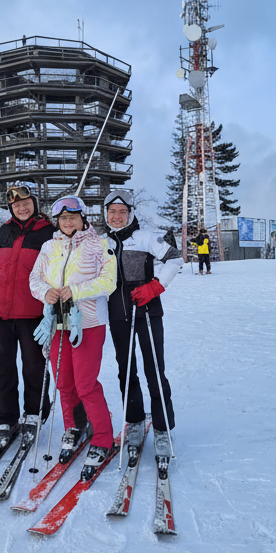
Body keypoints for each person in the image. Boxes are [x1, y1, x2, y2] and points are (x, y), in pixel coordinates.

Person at [29, 196, 117, 481]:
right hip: (57, 323)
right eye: (63, 218)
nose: (68, 222)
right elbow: (35, 278)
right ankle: (74, 426)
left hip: (89, 322)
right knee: (63, 381)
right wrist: (46, 293)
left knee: (85, 383)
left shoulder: (99, 244)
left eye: (73, 217)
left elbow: (109, 281)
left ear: (83, 218)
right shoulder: (49, 246)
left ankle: (103, 436)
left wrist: (73, 291)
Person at [103, 190, 182, 464]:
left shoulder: (146, 237)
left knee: (154, 369)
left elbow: (175, 258)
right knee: (126, 369)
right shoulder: (102, 243)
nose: (117, 216)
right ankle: (134, 420)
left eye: (122, 212)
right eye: (112, 212)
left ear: (131, 214)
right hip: (117, 312)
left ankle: (162, 426)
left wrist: (156, 285)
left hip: (146, 309)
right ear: (106, 214)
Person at [0, 185, 59, 453]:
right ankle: (5, 419)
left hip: (32, 312)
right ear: (11, 208)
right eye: (16, 205)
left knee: (34, 366)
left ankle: (34, 413)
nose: (21, 208)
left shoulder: (49, 233)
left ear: (34, 204)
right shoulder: (4, 231)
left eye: (26, 203)